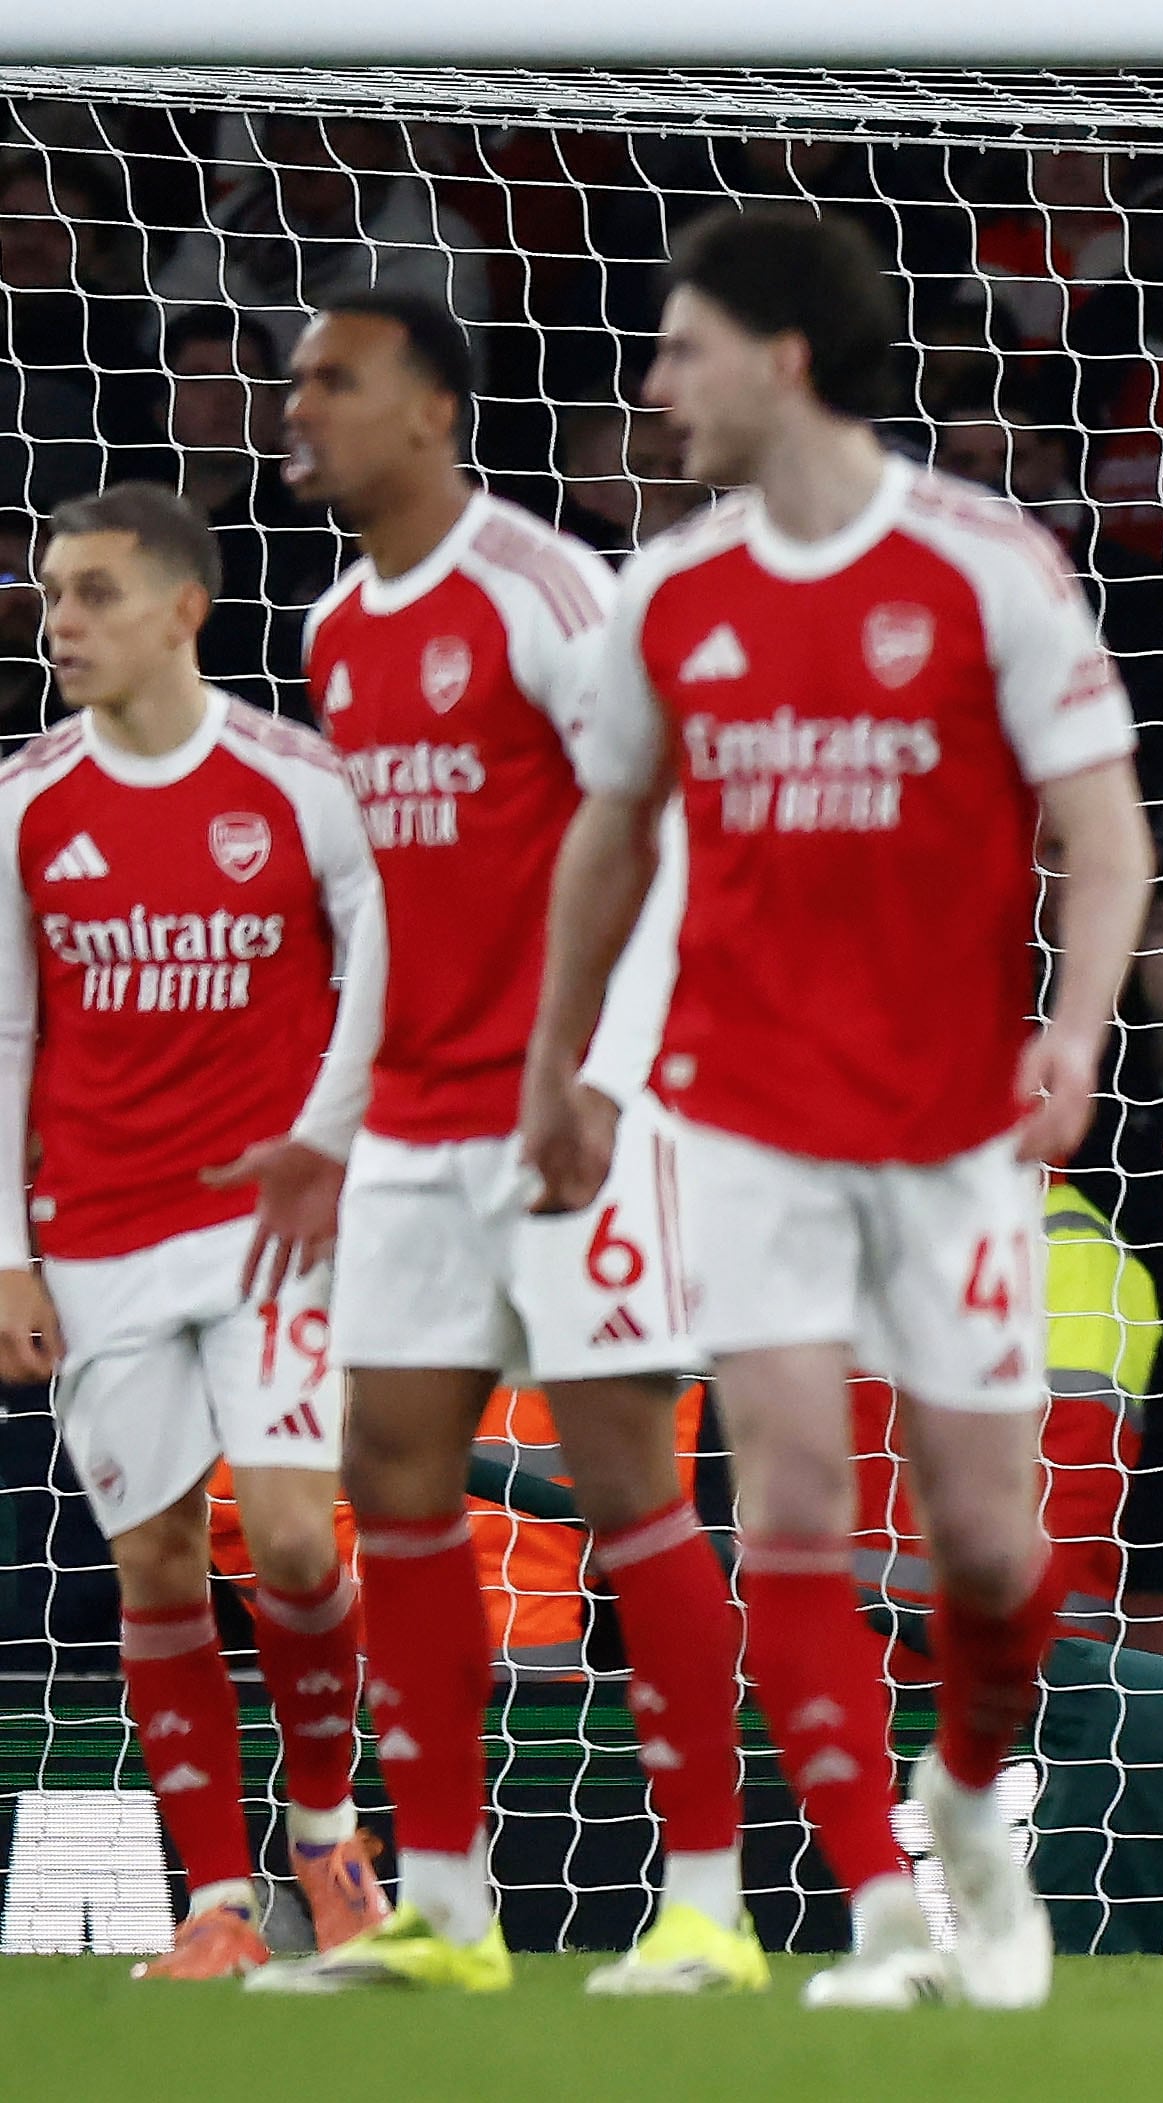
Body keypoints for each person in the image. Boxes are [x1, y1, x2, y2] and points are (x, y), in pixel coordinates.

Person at [518, 207, 1153, 2011]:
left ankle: (962, 1802)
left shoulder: (988, 566)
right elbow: (604, 848)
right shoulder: (669, 593)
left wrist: (1076, 1032)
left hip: (951, 1128)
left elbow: (1104, 841)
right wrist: (565, 1072)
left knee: (985, 1543)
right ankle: (881, 1910)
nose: (656, 391)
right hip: (742, 1112)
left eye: (684, 349)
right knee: (787, 1498)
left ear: (783, 361)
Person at [247, 293, 754, 1997]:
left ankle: (705, 1906)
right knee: (391, 1482)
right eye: (296, 380)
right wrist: (331, 1121)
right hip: (416, 1123)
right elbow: (391, 898)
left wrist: (602, 1079)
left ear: (434, 413)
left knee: (627, 1487)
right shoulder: (333, 628)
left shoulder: (546, 591)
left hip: (579, 1109)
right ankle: (446, 1911)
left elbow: (666, 841)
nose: (299, 407)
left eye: (337, 381)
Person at [0, 483, 389, 1977]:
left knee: (292, 1540)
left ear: (184, 609)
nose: (60, 624)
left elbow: (382, 973)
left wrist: (330, 1145)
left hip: (265, 1231)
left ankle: (327, 1831)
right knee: (156, 1559)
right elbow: (9, 1032)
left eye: (92, 593)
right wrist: (9, 1246)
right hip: (94, 1231)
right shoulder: (29, 801)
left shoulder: (298, 782)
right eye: (49, 596)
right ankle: (219, 1903)